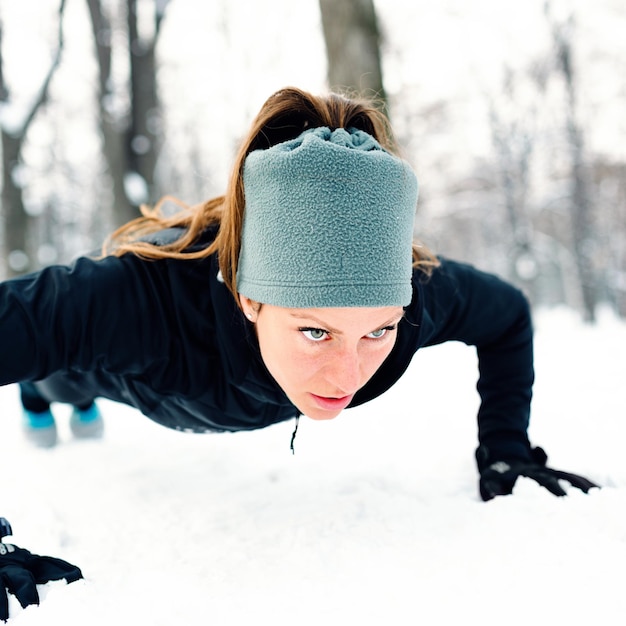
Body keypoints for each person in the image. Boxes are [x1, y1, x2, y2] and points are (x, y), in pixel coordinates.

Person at [2, 86, 597, 492]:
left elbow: (509, 316)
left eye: (378, 331)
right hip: (137, 375)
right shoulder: (139, 301)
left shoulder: (413, 298)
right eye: (316, 331)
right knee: (58, 376)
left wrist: (505, 448)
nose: (347, 373)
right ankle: (44, 395)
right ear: (248, 297)